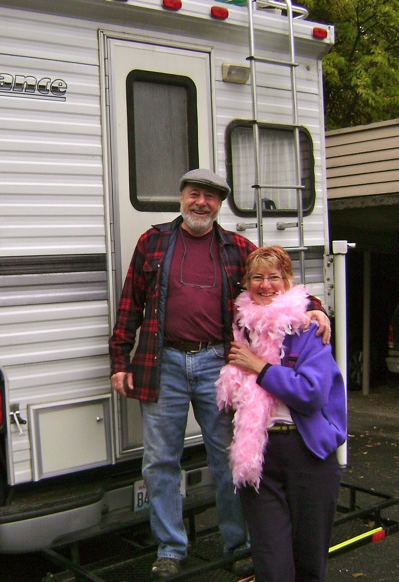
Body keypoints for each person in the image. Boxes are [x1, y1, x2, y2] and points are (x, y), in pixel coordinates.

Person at [108, 169, 331, 580]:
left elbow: (275, 278)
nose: (201, 203)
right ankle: (171, 548)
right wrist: (120, 361)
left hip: (220, 362)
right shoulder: (153, 241)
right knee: (160, 461)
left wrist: (314, 305)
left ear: (218, 205)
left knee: (228, 457)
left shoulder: (236, 247)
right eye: (195, 194)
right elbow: (130, 304)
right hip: (164, 362)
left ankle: (238, 543)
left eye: (210, 198)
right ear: (181, 197)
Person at [216, 246, 347, 582]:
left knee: (308, 566)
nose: (266, 285)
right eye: (257, 277)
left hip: (308, 454)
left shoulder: (307, 328)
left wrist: (260, 368)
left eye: (274, 277)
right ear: (246, 283)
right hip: (258, 454)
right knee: (272, 568)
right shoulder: (240, 328)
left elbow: (312, 393)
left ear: (287, 282)